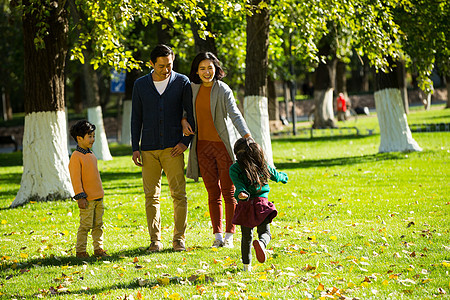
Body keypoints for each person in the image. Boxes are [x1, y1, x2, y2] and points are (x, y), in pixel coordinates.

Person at [182, 52, 251, 248]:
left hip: (223, 147)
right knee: (212, 192)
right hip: (202, 147)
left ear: (216, 68)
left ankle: (229, 236)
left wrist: (247, 137)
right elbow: (184, 111)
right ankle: (217, 236)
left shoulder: (223, 90)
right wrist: (183, 120)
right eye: (202, 68)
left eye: (210, 67)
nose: (206, 72)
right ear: (196, 71)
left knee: (229, 192)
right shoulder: (192, 89)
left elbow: (235, 114)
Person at [131, 44, 194, 252]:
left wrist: (184, 143)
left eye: (169, 64)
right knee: (151, 196)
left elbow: (189, 113)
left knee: (179, 194)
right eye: (161, 66)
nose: (166, 69)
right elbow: (136, 118)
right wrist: (135, 147)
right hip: (148, 148)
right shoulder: (140, 85)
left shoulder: (182, 82)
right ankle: (155, 240)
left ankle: (179, 239)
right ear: (151, 64)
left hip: (173, 148)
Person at [229, 137, 288, 272]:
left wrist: (241, 193)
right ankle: (261, 243)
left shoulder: (235, 168)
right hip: (261, 204)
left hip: (245, 206)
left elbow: (238, 185)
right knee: (265, 233)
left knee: (246, 237)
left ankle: (246, 267)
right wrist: (284, 177)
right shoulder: (263, 164)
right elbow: (277, 176)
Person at [68, 120, 108, 258]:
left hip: (98, 198)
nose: (93, 139)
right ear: (79, 138)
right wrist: (80, 196)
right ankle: (81, 251)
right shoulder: (76, 157)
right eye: (89, 136)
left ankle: (98, 249)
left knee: (98, 225)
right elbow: (75, 179)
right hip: (87, 199)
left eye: (93, 136)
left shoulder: (91, 154)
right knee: (85, 226)